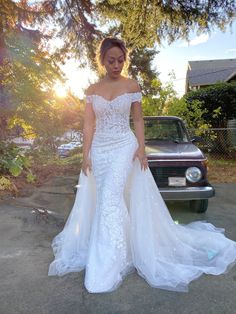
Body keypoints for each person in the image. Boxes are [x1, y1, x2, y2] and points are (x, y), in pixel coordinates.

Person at [48, 37, 236, 293]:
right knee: (105, 197)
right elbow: (88, 125)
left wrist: (141, 148)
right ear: (102, 60)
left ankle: (109, 260)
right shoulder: (92, 90)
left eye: (121, 60)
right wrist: (86, 154)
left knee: (111, 199)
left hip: (124, 147)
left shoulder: (131, 85)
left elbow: (138, 119)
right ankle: (118, 245)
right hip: (100, 150)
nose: (116, 65)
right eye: (111, 60)